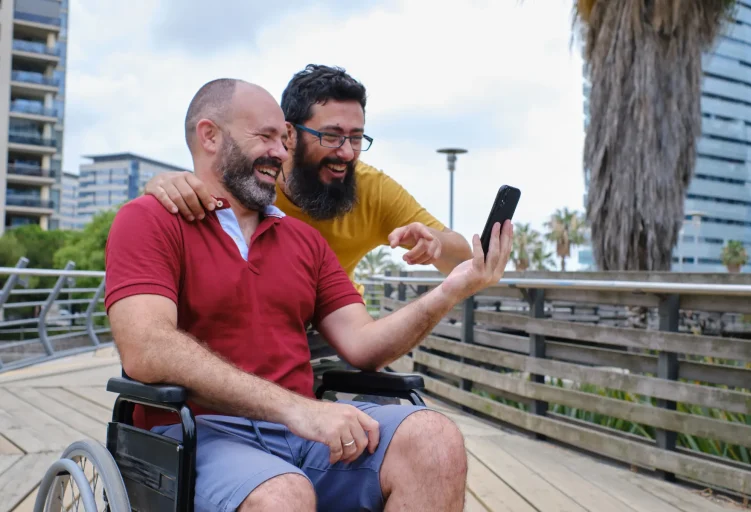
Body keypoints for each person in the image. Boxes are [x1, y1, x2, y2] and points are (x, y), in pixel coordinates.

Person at [105, 78, 513, 512]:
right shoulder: (148, 219)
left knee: (434, 440)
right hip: (198, 434)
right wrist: (297, 410)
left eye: (281, 140)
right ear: (210, 136)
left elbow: (363, 345)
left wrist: (450, 290)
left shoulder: (304, 240)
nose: (281, 153)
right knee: (284, 493)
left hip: (301, 433)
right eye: (265, 137)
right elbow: (146, 348)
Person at [142, 64, 473, 296]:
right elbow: (203, 185)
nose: (346, 152)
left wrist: (437, 243)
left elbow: (465, 260)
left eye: (356, 138)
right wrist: (162, 186)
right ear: (289, 134)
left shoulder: (372, 189)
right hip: (261, 330)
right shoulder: (256, 179)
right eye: (330, 136)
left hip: (337, 331)